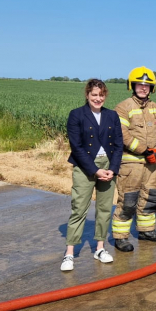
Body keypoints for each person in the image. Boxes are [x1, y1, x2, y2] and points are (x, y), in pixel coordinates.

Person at [61, 78, 123, 272]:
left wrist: (112, 169)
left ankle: (100, 248)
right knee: (79, 208)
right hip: (85, 166)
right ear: (87, 95)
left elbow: (119, 145)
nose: (98, 98)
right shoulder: (76, 115)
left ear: (105, 96)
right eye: (94, 95)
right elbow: (76, 147)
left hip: (108, 166)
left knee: (105, 209)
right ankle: (70, 253)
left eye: (101, 95)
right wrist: (95, 170)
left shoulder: (112, 116)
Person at [111, 66, 156, 252]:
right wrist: (146, 151)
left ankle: (146, 231)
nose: (143, 88)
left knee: (151, 198)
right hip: (131, 164)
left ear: (152, 88)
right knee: (128, 201)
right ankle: (121, 237)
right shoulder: (123, 107)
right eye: (139, 84)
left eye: (147, 85)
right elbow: (122, 135)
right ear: (132, 85)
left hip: (153, 164)